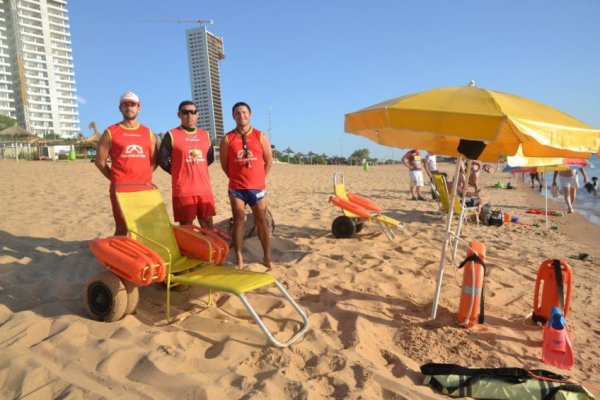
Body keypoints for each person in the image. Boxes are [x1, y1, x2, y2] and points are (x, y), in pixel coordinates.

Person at [220, 102, 274, 269]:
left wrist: (260, 178)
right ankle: (239, 258)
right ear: (233, 116)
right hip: (237, 189)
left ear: (250, 115)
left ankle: (266, 256)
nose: (241, 115)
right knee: (239, 220)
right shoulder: (228, 138)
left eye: (244, 112)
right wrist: (236, 179)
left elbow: (269, 160)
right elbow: (224, 164)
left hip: (257, 188)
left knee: (261, 221)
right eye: (237, 113)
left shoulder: (260, 136)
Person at [95, 91, 157, 236]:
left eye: (132, 105)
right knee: (122, 228)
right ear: (120, 108)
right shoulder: (110, 132)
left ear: (139, 108)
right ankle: (119, 256)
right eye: (125, 105)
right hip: (120, 189)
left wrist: (144, 176)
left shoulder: (148, 133)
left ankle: (142, 256)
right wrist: (115, 179)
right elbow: (100, 162)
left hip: (144, 188)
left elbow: (155, 160)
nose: (129, 108)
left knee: (145, 227)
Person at [157, 100, 216, 229]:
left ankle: (208, 249)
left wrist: (198, 169)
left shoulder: (205, 135)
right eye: (185, 112)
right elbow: (162, 159)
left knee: (207, 224)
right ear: (179, 115)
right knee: (187, 228)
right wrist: (177, 172)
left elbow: (210, 158)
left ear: (197, 115)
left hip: (204, 189)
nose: (189, 115)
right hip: (183, 190)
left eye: (193, 112)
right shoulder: (171, 135)